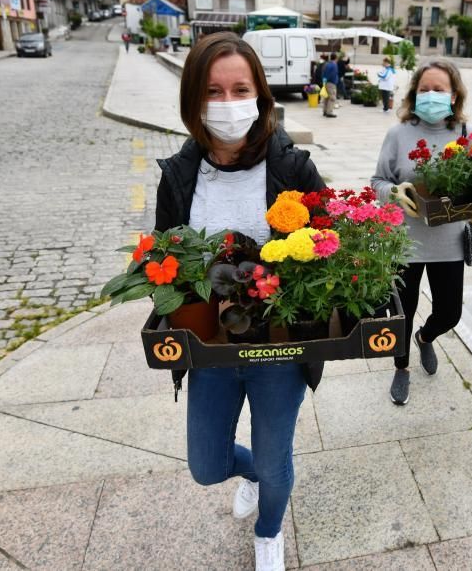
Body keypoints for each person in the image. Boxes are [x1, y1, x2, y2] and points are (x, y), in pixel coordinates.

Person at [154, 31, 325, 571]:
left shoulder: (294, 169)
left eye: (240, 88)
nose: (228, 104)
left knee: (278, 465)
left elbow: (328, 252)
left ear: (261, 95)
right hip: (211, 350)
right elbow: (167, 264)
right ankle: (248, 473)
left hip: (279, 349)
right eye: (213, 91)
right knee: (206, 466)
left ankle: (270, 530)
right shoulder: (179, 177)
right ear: (192, 101)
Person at [372, 59, 472, 406]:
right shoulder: (398, 134)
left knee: (450, 313)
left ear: (454, 94)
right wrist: (394, 193)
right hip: (405, 242)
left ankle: (426, 337)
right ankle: (401, 368)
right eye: (424, 89)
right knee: (403, 311)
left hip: (449, 242)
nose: (431, 95)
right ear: (414, 93)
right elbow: (378, 181)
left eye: (439, 89)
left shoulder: (465, 135)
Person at [321, 53, 339, 118]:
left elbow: (323, 73)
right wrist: (335, 81)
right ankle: (329, 112)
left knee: (326, 98)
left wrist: (324, 82)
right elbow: (333, 75)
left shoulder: (327, 64)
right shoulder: (334, 65)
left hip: (325, 82)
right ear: (336, 58)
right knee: (332, 98)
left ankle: (325, 111)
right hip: (331, 83)